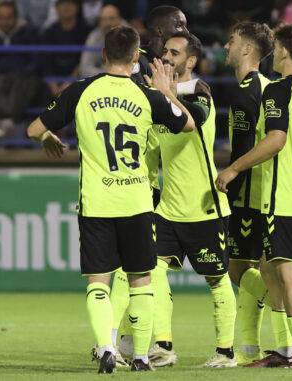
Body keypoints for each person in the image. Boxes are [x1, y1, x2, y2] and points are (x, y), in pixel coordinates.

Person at [26, 25, 195, 373]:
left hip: (96, 202)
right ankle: (144, 357)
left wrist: (46, 137)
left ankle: (106, 347)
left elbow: (32, 128)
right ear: (136, 58)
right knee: (141, 280)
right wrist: (167, 92)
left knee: (98, 280)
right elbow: (190, 124)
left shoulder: (81, 90)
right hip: (136, 202)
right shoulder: (147, 96)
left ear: (103, 54)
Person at [216, 22, 292, 369]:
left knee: (287, 274)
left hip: (282, 196)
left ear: (282, 50)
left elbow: (276, 140)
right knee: (269, 269)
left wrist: (235, 167)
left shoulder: (279, 91)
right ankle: (284, 352)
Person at [145, 31, 238, 369]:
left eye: (174, 53)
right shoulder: (159, 97)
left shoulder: (200, 92)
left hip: (204, 207)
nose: (167, 57)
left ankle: (226, 352)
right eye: (165, 51)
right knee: (153, 271)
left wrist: (164, 92)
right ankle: (163, 346)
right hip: (168, 208)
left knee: (217, 279)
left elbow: (190, 123)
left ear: (191, 61)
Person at [110, 4, 189, 364]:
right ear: (159, 32)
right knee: (141, 267)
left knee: (143, 268)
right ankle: (139, 341)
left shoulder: (176, 69)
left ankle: (125, 340)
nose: (184, 31)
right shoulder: (134, 67)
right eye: (179, 25)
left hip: (159, 185)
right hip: (134, 180)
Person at [222, 22, 273, 365]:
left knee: (236, 271)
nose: (226, 45)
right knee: (249, 269)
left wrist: (228, 189)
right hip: (268, 191)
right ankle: (250, 349)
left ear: (246, 49)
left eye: (232, 40)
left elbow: (241, 149)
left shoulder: (245, 91)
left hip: (246, 195)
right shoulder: (268, 86)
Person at [0, 1, 39, 138]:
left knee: (19, 87)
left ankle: (6, 122)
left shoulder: (28, 33)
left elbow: (34, 61)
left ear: (16, 18)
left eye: (8, 17)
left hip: (21, 79)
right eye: (1, 17)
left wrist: (20, 74)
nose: (5, 21)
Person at [40, 0, 90, 97]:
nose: (66, 7)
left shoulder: (86, 31)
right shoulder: (48, 33)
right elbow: (45, 62)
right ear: (56, 8)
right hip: (53, 84)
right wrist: (53, 85)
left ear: (77, 7)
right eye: (62, 3)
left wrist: (69, 82)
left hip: (78, 80)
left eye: (70, 3)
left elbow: (84, 61)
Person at [80, 4, 127, 77]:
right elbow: (85, 68)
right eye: (103, 20)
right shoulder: (94, 37)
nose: (107, 23)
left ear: (119, 20)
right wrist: (107, 75)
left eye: (111, 19)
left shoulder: (130, 35)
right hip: (102, 81)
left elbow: (136, 66)